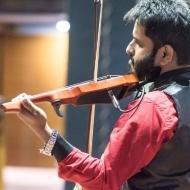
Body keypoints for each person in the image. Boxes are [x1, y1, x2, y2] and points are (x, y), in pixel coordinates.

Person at [10, 0, 190, 189]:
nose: (129, 49)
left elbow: (103, 179)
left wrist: (44, 131)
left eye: (138, 43)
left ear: (165, 54)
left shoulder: (155, 106)